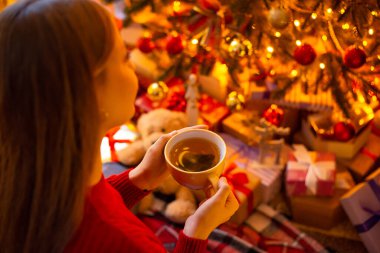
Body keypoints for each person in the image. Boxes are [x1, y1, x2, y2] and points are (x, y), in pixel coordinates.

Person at [0, 0, 239, 252]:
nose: (134, 64)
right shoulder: (128, 242)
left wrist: (138, 180)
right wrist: (196, 232)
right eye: (125, 57)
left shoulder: (27, 176)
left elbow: (83, 215)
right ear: (90, 96)